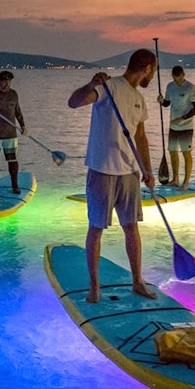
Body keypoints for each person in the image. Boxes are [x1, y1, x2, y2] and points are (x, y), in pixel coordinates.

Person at [68, 49, 158, 303]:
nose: (154, 73)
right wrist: (90, 84)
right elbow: (73, 102)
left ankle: (137, 281)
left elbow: (140, 137)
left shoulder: (140, 99)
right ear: (148, 68)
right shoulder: (109, 87)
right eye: (155, 68)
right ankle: (94, 285)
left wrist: (147, 170)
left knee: (132, 228)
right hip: (102, 169)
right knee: (96, 228)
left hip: (129, 172)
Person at [156, 65, 195, 188]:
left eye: (180, 79)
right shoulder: (170, 87)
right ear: (172, 77)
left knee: (186, 153)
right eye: (176, 80)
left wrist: (182, 118)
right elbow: (167, 103)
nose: (178, 82)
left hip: (186, 127)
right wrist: (161, 101)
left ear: (183, 75)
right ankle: (175, 179)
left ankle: (186, 182)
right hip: (173, 126)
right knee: (172, 152)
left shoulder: (191, 88)